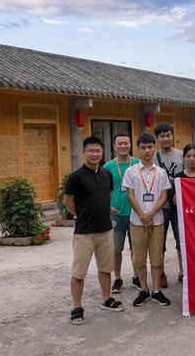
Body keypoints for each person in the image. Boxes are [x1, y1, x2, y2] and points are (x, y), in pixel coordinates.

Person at [64, 136, 125, 325]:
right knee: (79, 272)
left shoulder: (106, 174)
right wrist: (81, 215)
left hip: (105, 230)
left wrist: (104, 210)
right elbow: (68, 202)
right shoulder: (76, 177)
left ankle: (107, 299)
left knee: (105, 269)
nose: (94, 154)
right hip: (84, 233)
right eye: (91, 150)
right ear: (84, 152)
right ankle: (77, 307)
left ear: (102, 152)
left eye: (98, 150)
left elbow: (107, 196)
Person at [122, 133, 172, 307]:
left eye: (150, 147)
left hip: (157, 220)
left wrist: (151, 214)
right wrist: (143, 215)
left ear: (154, 148)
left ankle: (156, 290)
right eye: (143, 147)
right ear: (138, 149)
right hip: (137, 221)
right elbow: (130, 195)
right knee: (139, 259)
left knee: (157, 258)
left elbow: (164, 196)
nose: (147, 151)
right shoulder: (131, 171)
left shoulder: (161, 172)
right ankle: (144, 289)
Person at [103, 134, 141, 294]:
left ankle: (136, 276)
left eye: (126, 143)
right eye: (120, 144)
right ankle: (117, 278)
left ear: (130, 145)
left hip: (135, 213)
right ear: (114, 146)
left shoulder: (137, 163)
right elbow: (103, 191)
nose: (123, 146)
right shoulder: (108, 167)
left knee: (136, 248)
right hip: (116, 214)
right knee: (116, 249)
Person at [153, 123, 184, 288]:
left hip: (179, 205)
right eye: (162, 136)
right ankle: (161, 273)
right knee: (160, 241)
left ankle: (182, 270)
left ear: (173, 136)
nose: (166, 138)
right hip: (161, 206)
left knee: (182, 240)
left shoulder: (182, 155)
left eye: (168, 135)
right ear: (158, 138)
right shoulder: (153, 156)